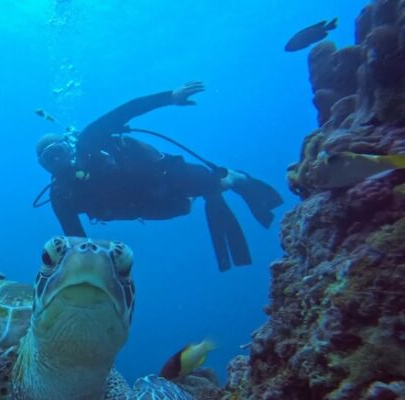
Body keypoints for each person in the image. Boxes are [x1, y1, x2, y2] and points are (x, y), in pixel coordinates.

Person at [35, 81, 283, 272]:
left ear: (69, 145)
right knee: (184, 207)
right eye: (49, 159)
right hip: (144, 205)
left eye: (59, 152)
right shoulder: (61, 196)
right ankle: (209, 192)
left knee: (216, 183)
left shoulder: (89, 141)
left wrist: (170, 97)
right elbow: (77, 242)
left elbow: (125, 111)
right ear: (43, 167)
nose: (58, 161)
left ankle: (236, 179)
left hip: (163, 174)